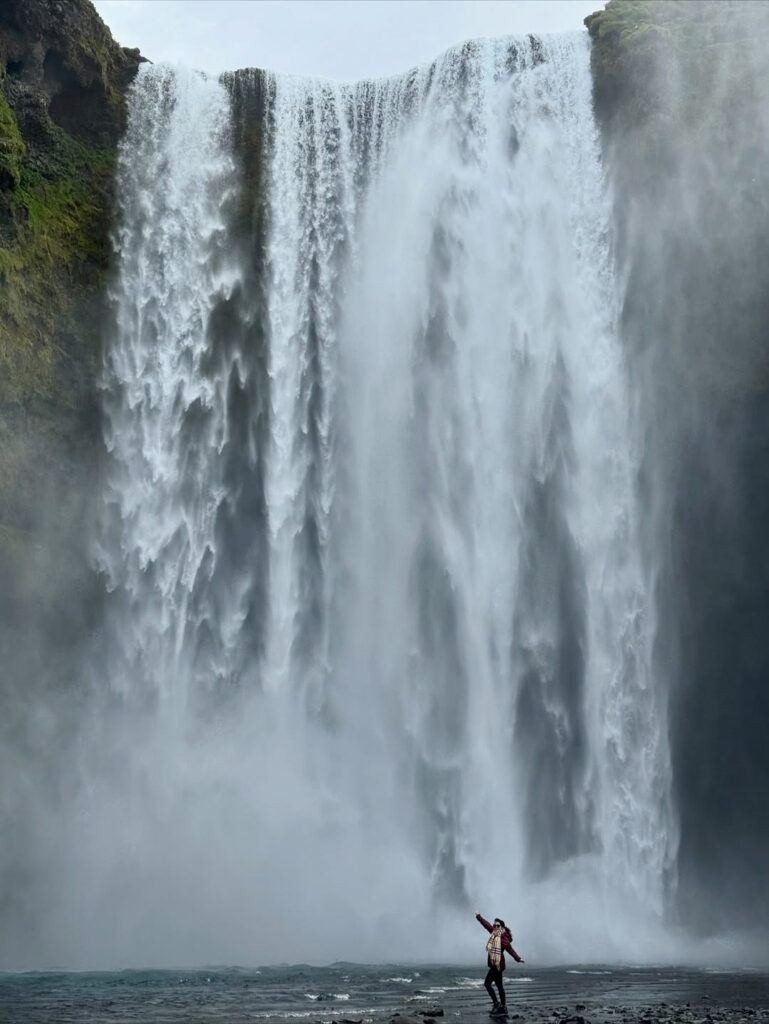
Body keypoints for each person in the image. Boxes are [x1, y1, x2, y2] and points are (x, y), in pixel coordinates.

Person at [475, 911, 524, 1016]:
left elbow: (509, 949)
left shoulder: (502, 936)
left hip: (497, 964)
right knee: (499, 985)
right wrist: (479, 917)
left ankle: (497, 1004)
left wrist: (517, 958)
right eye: (494, 924)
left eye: (497, 925)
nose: (494, 926)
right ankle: (503, 1006)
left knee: (487, 984)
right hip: (497, 964)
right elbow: (486, 924)